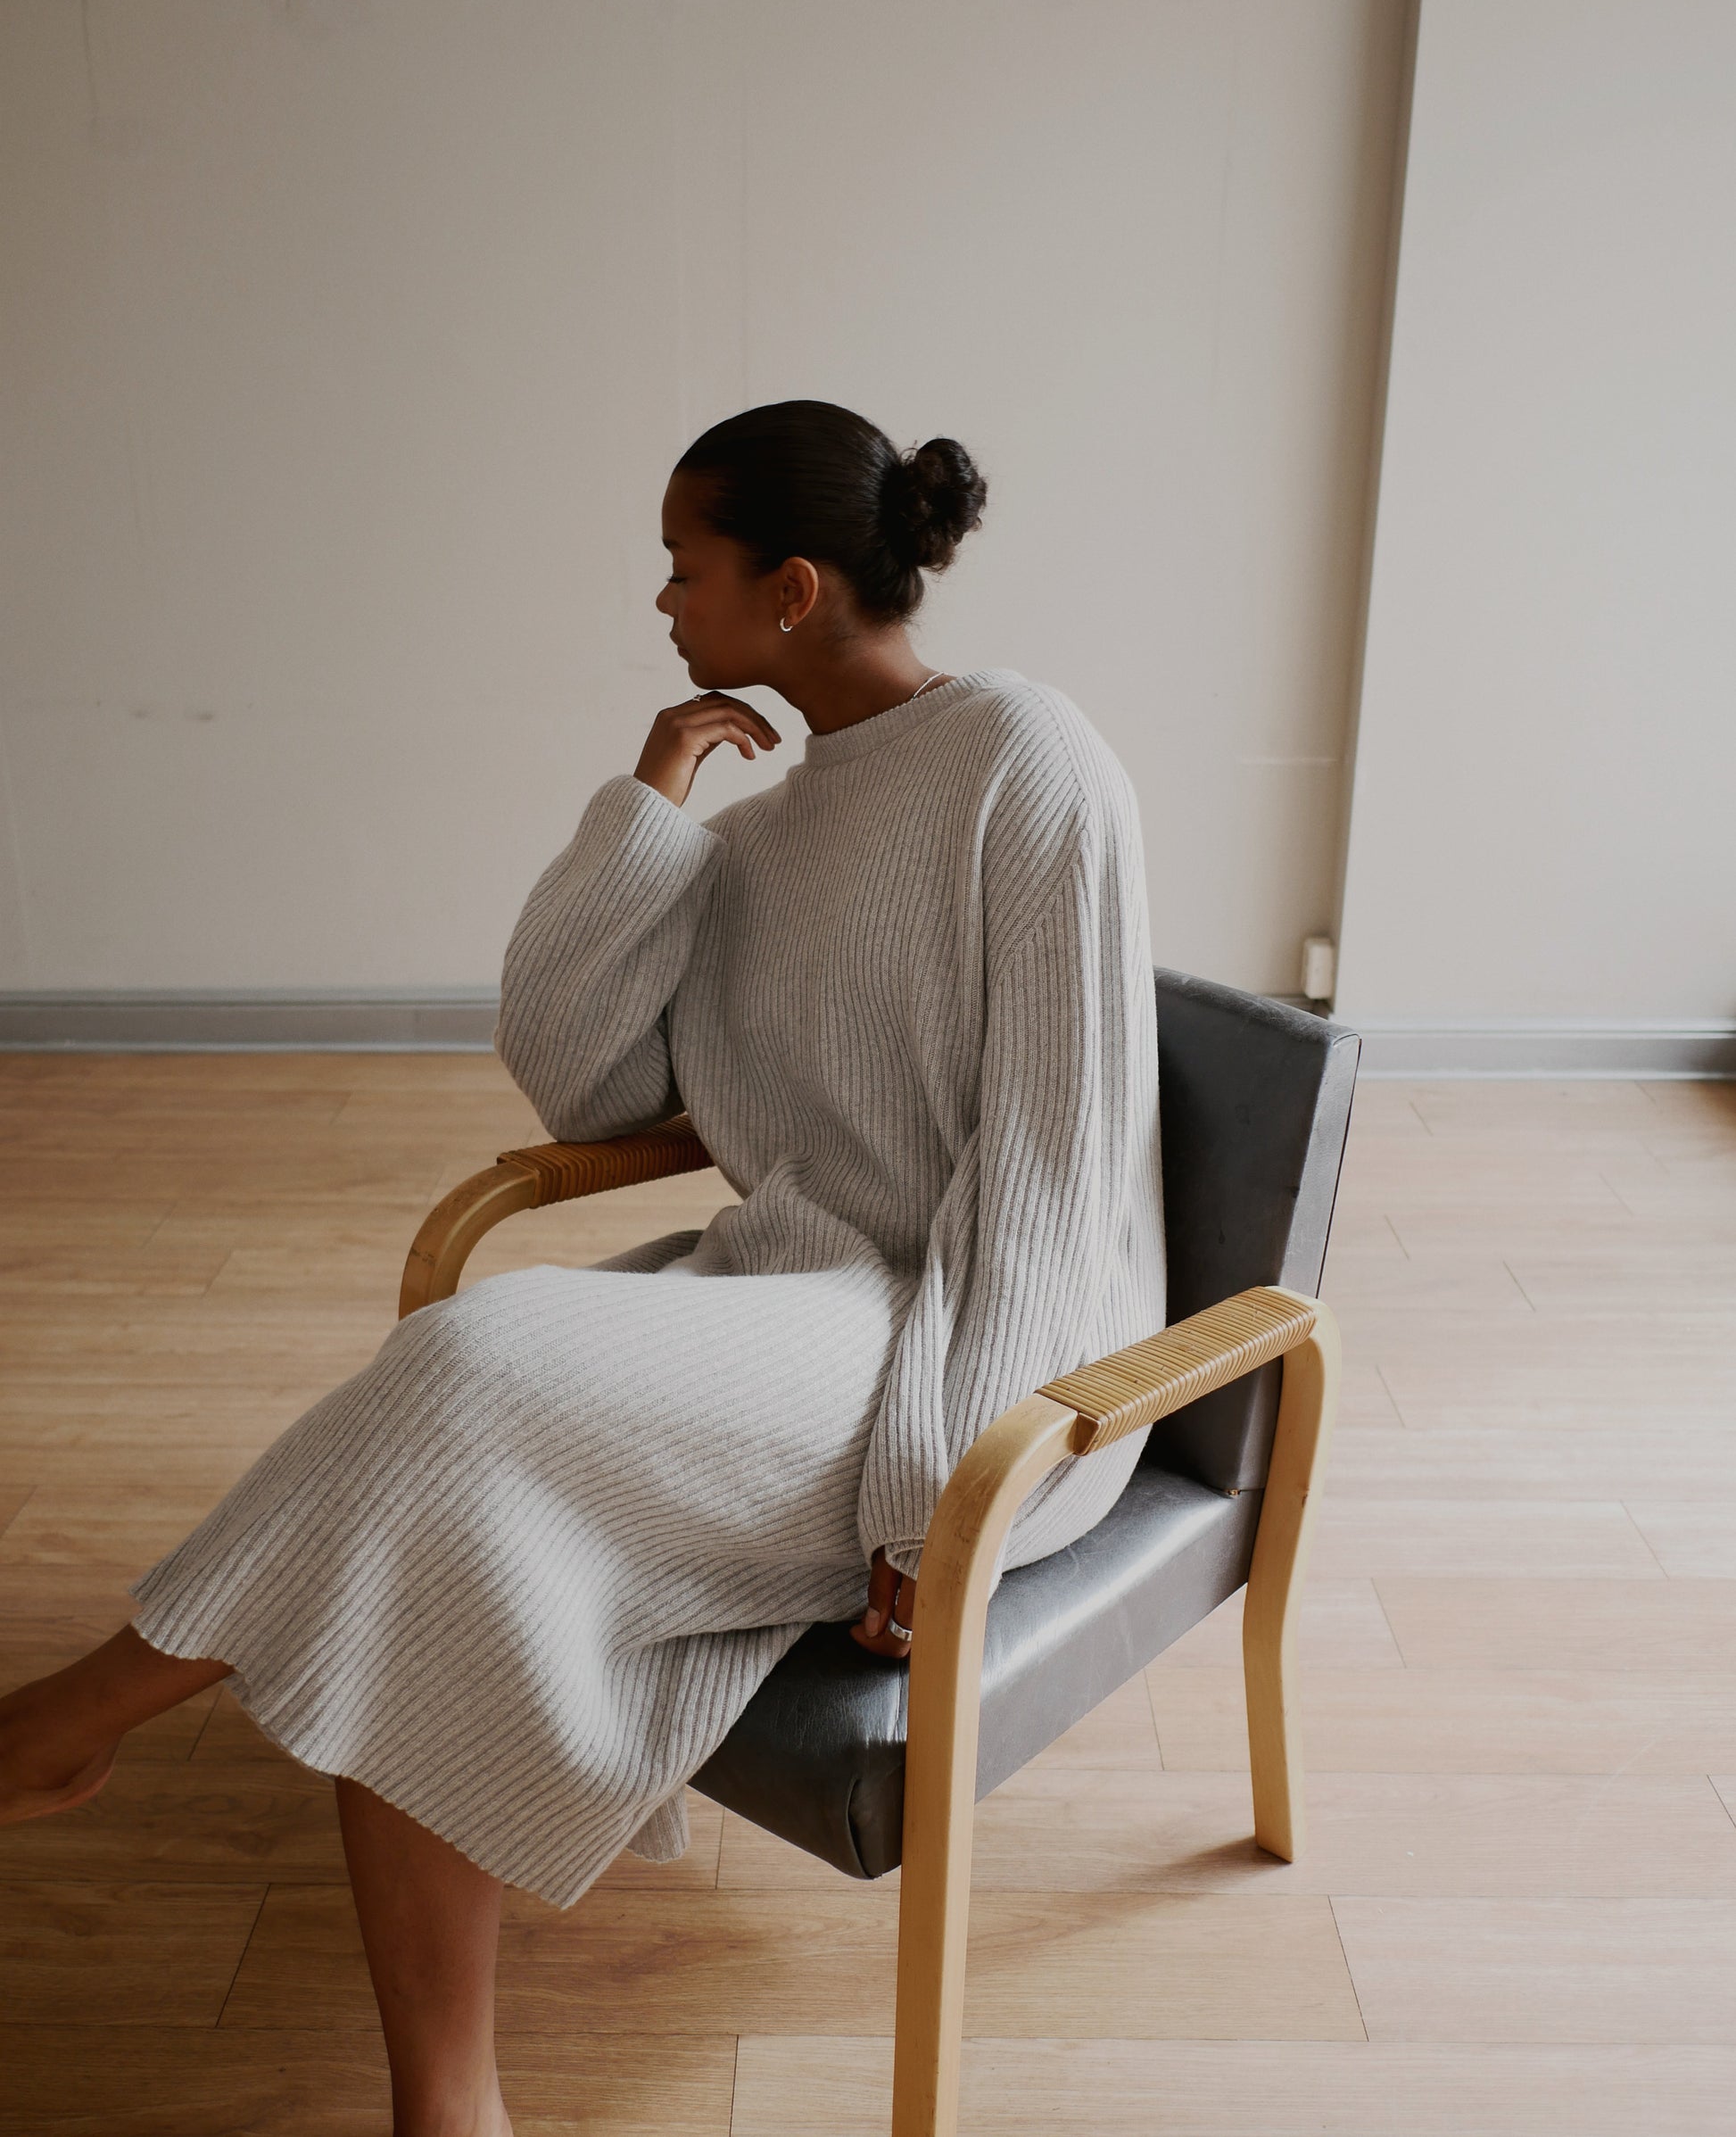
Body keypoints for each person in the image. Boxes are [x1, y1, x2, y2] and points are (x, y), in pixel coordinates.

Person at [0, 399, 1165, 2137]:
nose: (662, 602)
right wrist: (648, 807)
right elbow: (579, 1074)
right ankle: (448, 2104)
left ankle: (74, 1715)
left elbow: (1061, 1168)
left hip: (993, 1360)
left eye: (683, 567)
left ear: (787, 589)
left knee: (473, 1366)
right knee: (452, 1498)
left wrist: (942, 1498)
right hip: (791, 1297)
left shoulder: (1028, 757)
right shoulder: (757, 835)